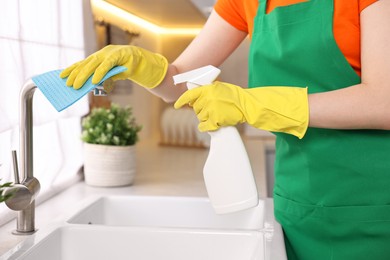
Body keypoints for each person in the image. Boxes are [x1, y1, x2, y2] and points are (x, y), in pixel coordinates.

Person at [60, 0, 390, 259]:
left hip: (372, 207)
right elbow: (182, 80)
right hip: (297, 205)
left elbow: (383, 101)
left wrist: (252, 104)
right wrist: (143, 66)